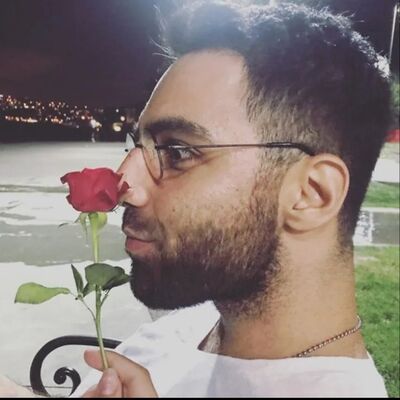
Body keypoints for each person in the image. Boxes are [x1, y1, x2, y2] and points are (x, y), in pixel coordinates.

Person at [0, 1, 393, 397]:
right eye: (137, 145)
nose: (124, 183)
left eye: (177, 152)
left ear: (312, 194)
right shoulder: (201, 322)